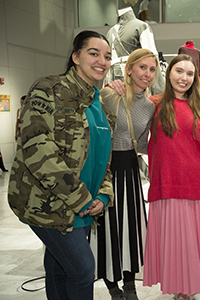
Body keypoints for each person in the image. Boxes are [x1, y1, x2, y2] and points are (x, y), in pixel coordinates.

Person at [7, 30, 114, 300]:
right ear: (76, 57)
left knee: (59, 268)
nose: (102, 60)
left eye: (107, 56)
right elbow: (36, 147)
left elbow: (103, 158)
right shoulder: (49, 89)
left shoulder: (99, 103)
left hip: (85, 206)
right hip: (49, 204)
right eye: (94, 53)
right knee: (82, 269)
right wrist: (80, 198)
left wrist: (103, 195)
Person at [142, 54, 200, 300]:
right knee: (175, 247)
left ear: (195, 78)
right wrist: (120, 86)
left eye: (190, 74)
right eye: (179, 71)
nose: (184, 78)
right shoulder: (154, 103)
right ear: (169, 73)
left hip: (197, 186)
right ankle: (183, 290)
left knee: (192, 247)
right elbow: (123, 107)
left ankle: (191, 289)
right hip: (168, 187)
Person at [90, 48, 157, 300]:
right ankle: (112, 288)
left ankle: (130, 286)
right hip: (106, 170)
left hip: (130, 171)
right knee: (107, 229)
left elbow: (141, 145)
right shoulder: (108, 94)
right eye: (142, 67)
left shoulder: (150, 106)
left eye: (152, 69)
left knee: (130, 228)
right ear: (129, 69)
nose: (147, 74)